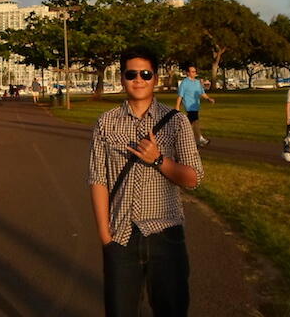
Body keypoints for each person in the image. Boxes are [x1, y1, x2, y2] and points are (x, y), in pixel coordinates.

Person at [89, 46, 203, 316]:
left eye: (145, 73)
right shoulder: (106, 123)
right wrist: (106, 236)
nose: (138, 79)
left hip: (166, 236)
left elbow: (193, 178)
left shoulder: (176, 122)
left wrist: (158, 159)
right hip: (121, 236)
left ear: (156, 78)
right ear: (122, 79)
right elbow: (98, 179)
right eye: (131, 74)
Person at [174, 65, 215, 146]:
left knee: (191, 124)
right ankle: (199, 139)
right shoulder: (184, 83)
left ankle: (182, 139)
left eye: (195, 71)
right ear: (188, 73)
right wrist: (177, 106)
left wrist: (208, 99)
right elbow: (180, 95)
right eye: (192, 72)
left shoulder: (197, 82)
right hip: (189, 106)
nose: (194, 73)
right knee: (194, 122)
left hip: (196, 106)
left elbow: (202, 93)